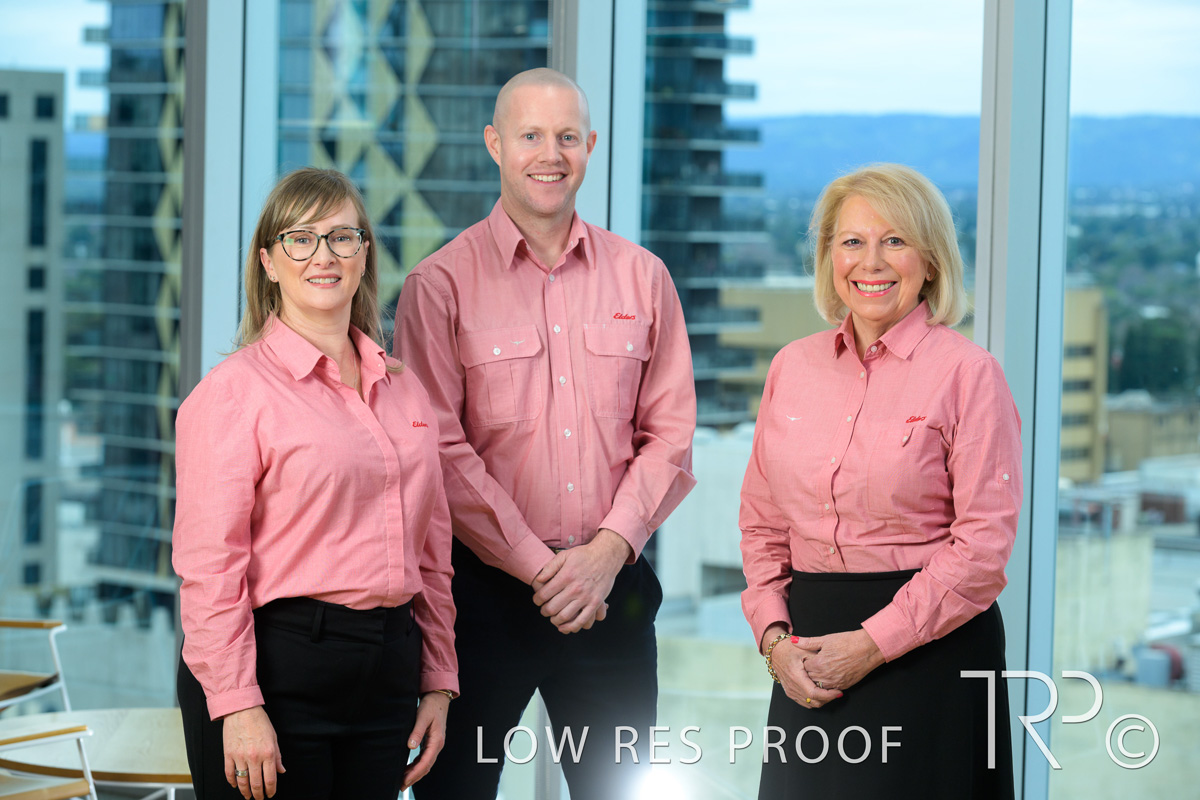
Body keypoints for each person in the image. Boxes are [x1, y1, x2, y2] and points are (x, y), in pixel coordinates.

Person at [395, 68, 696, 799]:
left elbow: (670, 434)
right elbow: (438, 451)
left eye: (566, 137)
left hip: (611, 595)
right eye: (530, 135)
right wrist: (541, 569)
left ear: (589, 146)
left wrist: (607, 554)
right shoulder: (438, 286)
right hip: (480, 603)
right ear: (495, 144)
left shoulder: (644, 278)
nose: (549, 154)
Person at [173, 168, 457, 800]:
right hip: (276, 669)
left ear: (364, 254)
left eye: (341, 237)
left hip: (389, 671)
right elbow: (209, 567)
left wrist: (438, 677)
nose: (323, 256)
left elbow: (432, 553)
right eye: (300, 239)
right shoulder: (233, 394)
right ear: (268, 262)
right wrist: (237, 702)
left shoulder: (405, 388)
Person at [739, 163, 1021, 798]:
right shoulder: (791, 367)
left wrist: (871, 645)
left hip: (932, 655)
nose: (871, 261)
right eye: (852, 241)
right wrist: (775, 640)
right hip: (806, 658)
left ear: (931, 260)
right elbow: (762, 524)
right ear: (829, 257)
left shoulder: (970, 374)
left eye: (895, 240)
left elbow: (983, 550)